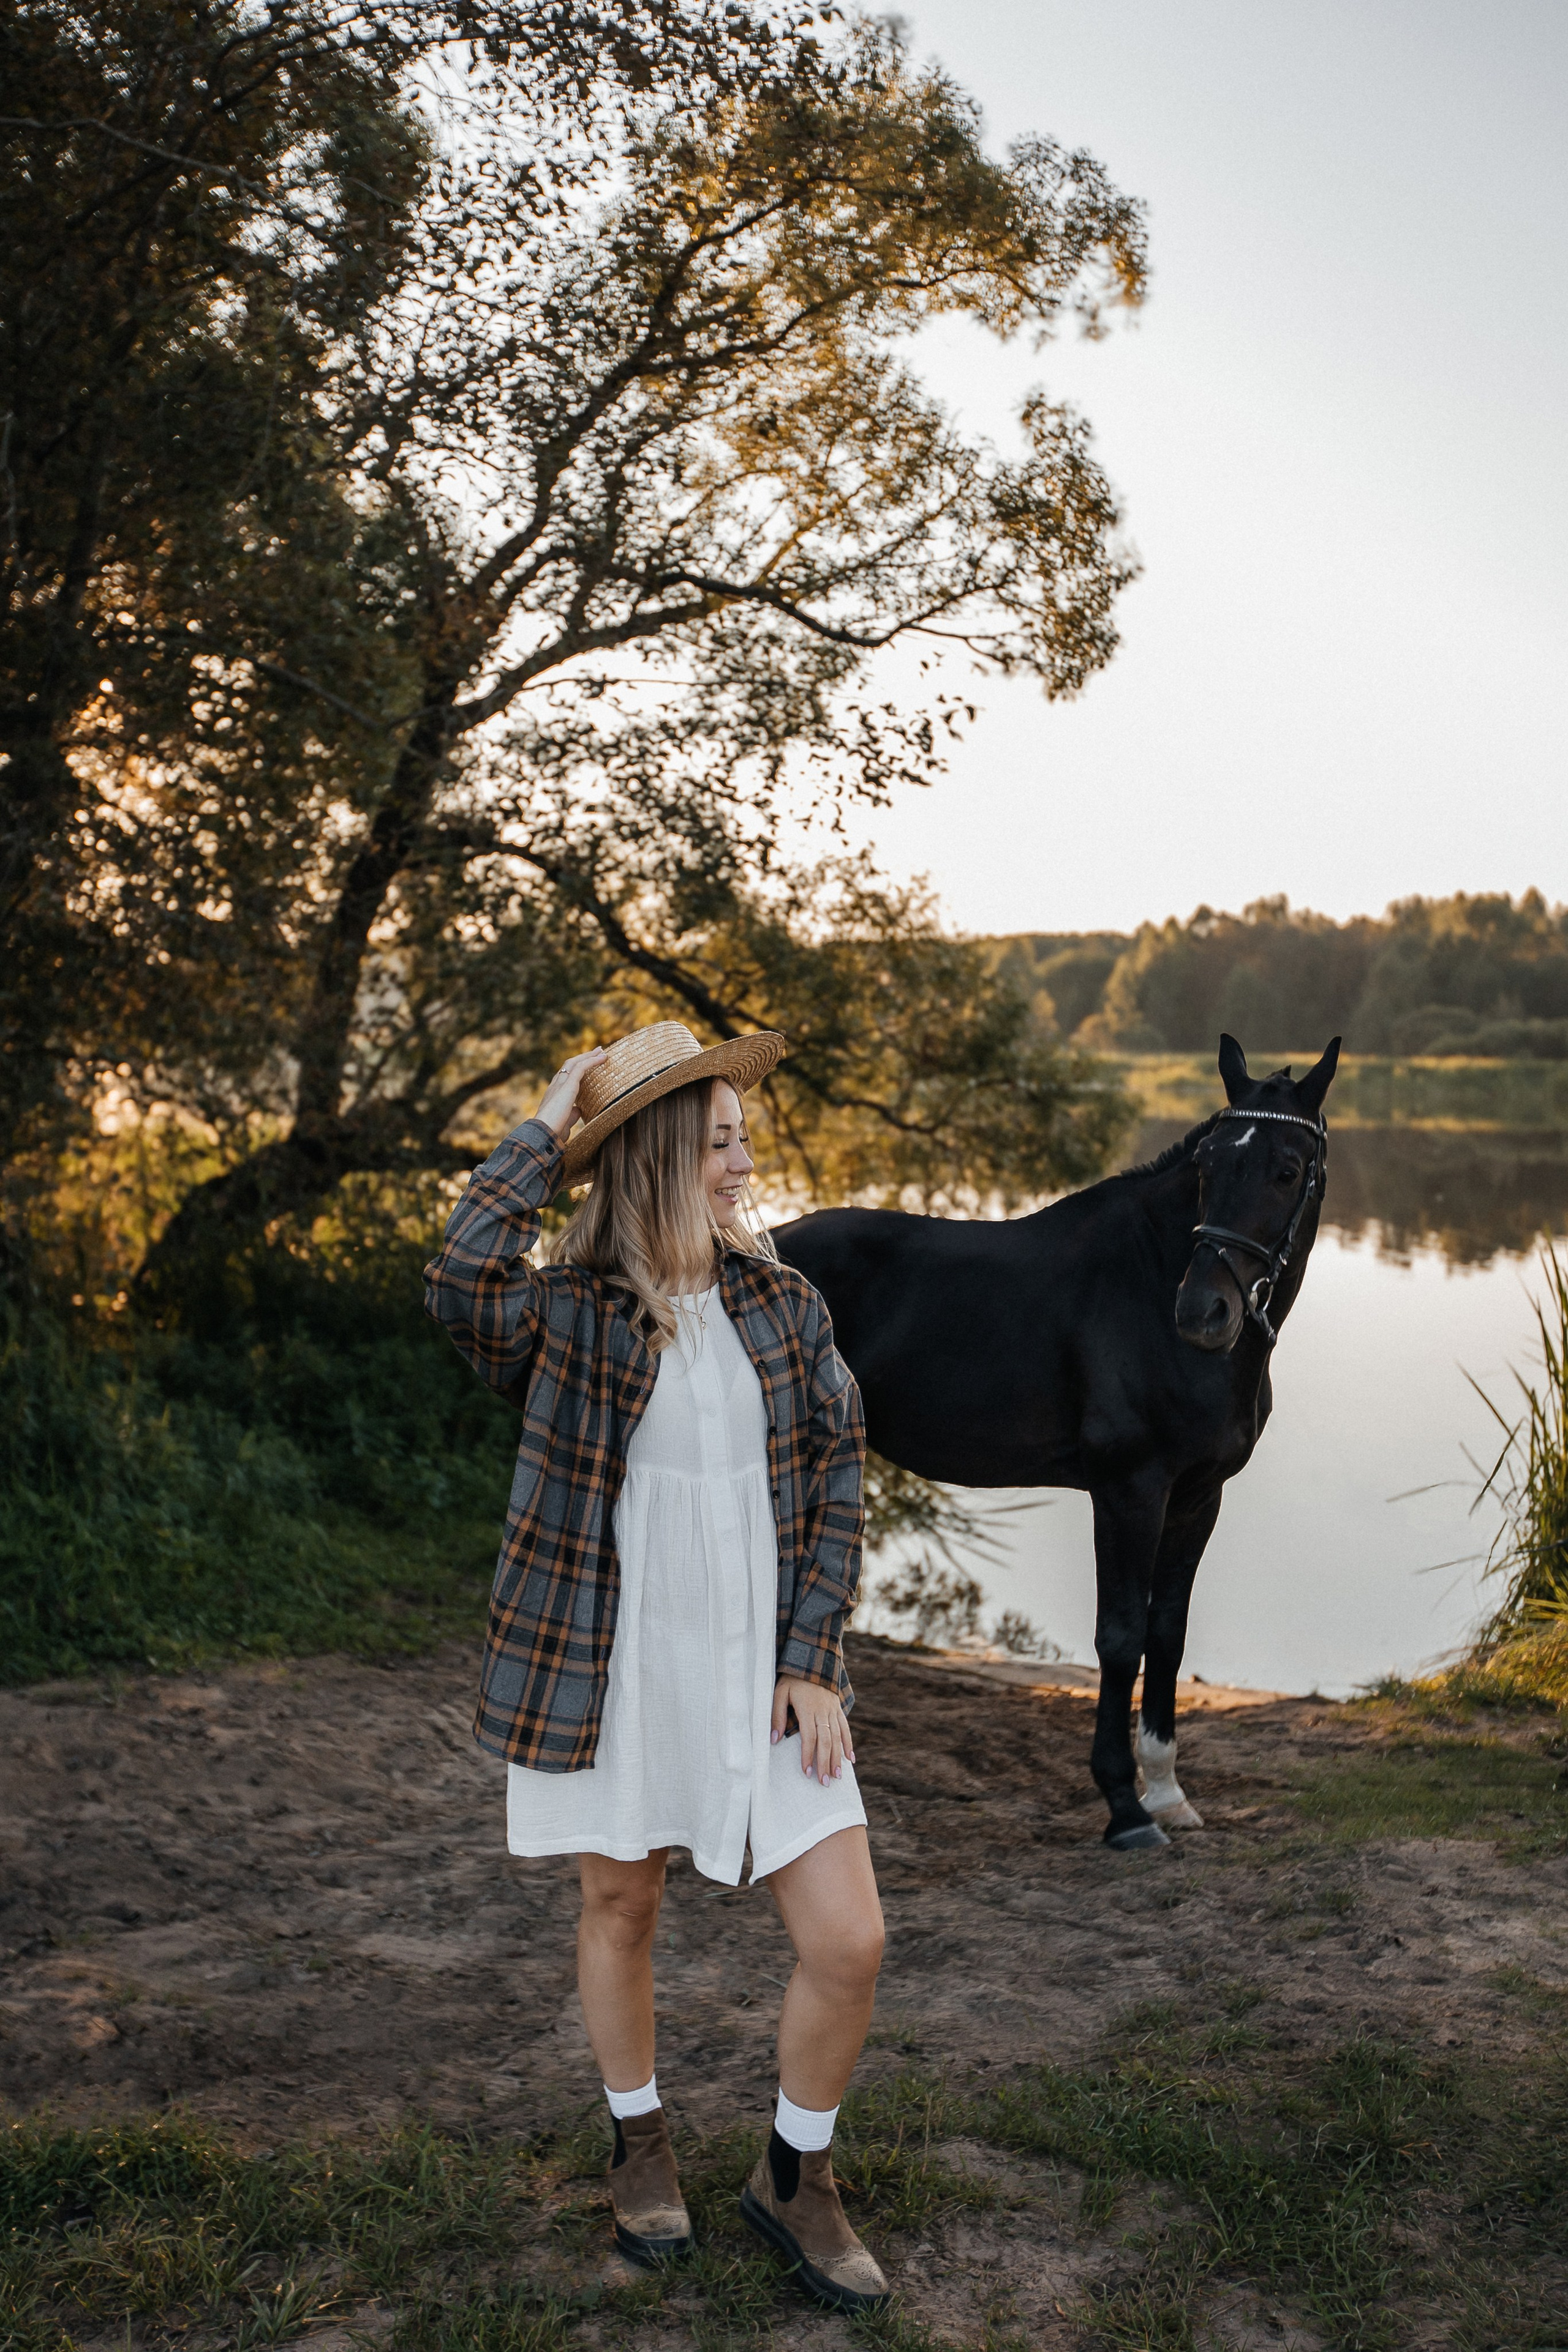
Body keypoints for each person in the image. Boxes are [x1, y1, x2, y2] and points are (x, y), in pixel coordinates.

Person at [424, 1020, 889, 2312]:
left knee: (849, 1940)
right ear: (655, 1158)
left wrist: (813, 1656)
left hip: (768, 1672)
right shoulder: (568, 1314)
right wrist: (549, 1118)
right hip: (615, 1664)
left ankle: (794, 2175)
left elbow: (838, 1478)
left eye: (744, 1139)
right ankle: (639, 2140)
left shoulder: (784, 1304)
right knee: (621, 1906)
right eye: (718, 1142)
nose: (744, 1164)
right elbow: (460, 1276)